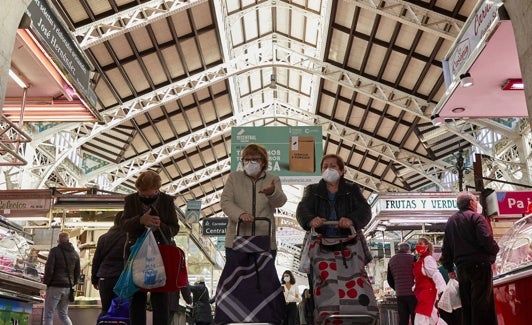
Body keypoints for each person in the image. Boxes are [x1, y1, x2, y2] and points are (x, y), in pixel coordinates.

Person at [296, 153, 372, 292]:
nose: (328, 169)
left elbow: (365, 210)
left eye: (333, 166)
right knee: (322, 284)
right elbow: (302, 210)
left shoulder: (352, 189)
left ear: (342, 171)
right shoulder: (311, 190)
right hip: (320, 244)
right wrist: (311, 220)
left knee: (351, 281)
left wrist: (351, 220)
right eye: (325, 166)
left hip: (349, 244)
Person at [121, 170, 180, 325]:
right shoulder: (130, 200)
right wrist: (140, 220)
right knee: (136, 295)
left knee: (160, 295)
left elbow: (175, 228)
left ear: (157, 189)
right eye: (142, 193)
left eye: (149, 194)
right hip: (136, 252)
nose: (145, 197)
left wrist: (161, 225)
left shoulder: (167, 201)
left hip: (161, 253)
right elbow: (124, 224)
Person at [220, 143, 287, 261]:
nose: (250, 162)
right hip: (236, 239)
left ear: (263, 162)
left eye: (255, 159)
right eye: (247, 159)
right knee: (237, 277)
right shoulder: (234, 178)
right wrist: (240, 214)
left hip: (265, 240)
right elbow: (225, 202)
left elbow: (280, 202)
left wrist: (272, 192)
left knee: (264, 277)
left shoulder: (273, 179)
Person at [441, 191, 499, 325]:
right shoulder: (476, 218)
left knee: (467, 307)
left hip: (462, 269)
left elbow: (446, 247)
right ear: (471, 203)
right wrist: (494, 251)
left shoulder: (451, 221)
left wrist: (449, 267)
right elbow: (486, 239)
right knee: (482, 305)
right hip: (480, 267)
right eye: (475, 200)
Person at [91, 211, 127, 317]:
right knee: (121, 309)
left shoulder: (103, 237)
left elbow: (96, 260)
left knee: (106, 309)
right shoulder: (128, 237)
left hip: (104, 278)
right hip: (122, 278)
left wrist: (94, 279)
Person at [42, 232, 80, 325]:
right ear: (68, 240)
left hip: (55, 286)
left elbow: (49, 268)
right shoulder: (75, 254)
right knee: (63, 314)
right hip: (68, 287)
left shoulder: (54, 251)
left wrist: (46, 283)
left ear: (58, 240)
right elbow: (77, 272)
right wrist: (72, 283)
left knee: (48, 314)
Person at [412, 237, 446, 325]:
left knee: (421, 318)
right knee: (433, 317)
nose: (418, 246)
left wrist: (442, 289)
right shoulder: (421, 260)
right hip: (422, 292)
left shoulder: (428, 259)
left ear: (426, 246)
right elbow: (420, 277)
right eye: (417, 244)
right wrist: (415, 286)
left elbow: (435, 273)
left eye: (420, 244)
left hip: (428, 292)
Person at [387, 242, 416, 325]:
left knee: (403, 319)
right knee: (415, 318)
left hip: (400, 295)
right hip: (413, 294)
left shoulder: (392, 260)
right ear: (408, 249)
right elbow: (418, 274)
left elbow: (389, 279)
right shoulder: (413, 258)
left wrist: (397, 288)